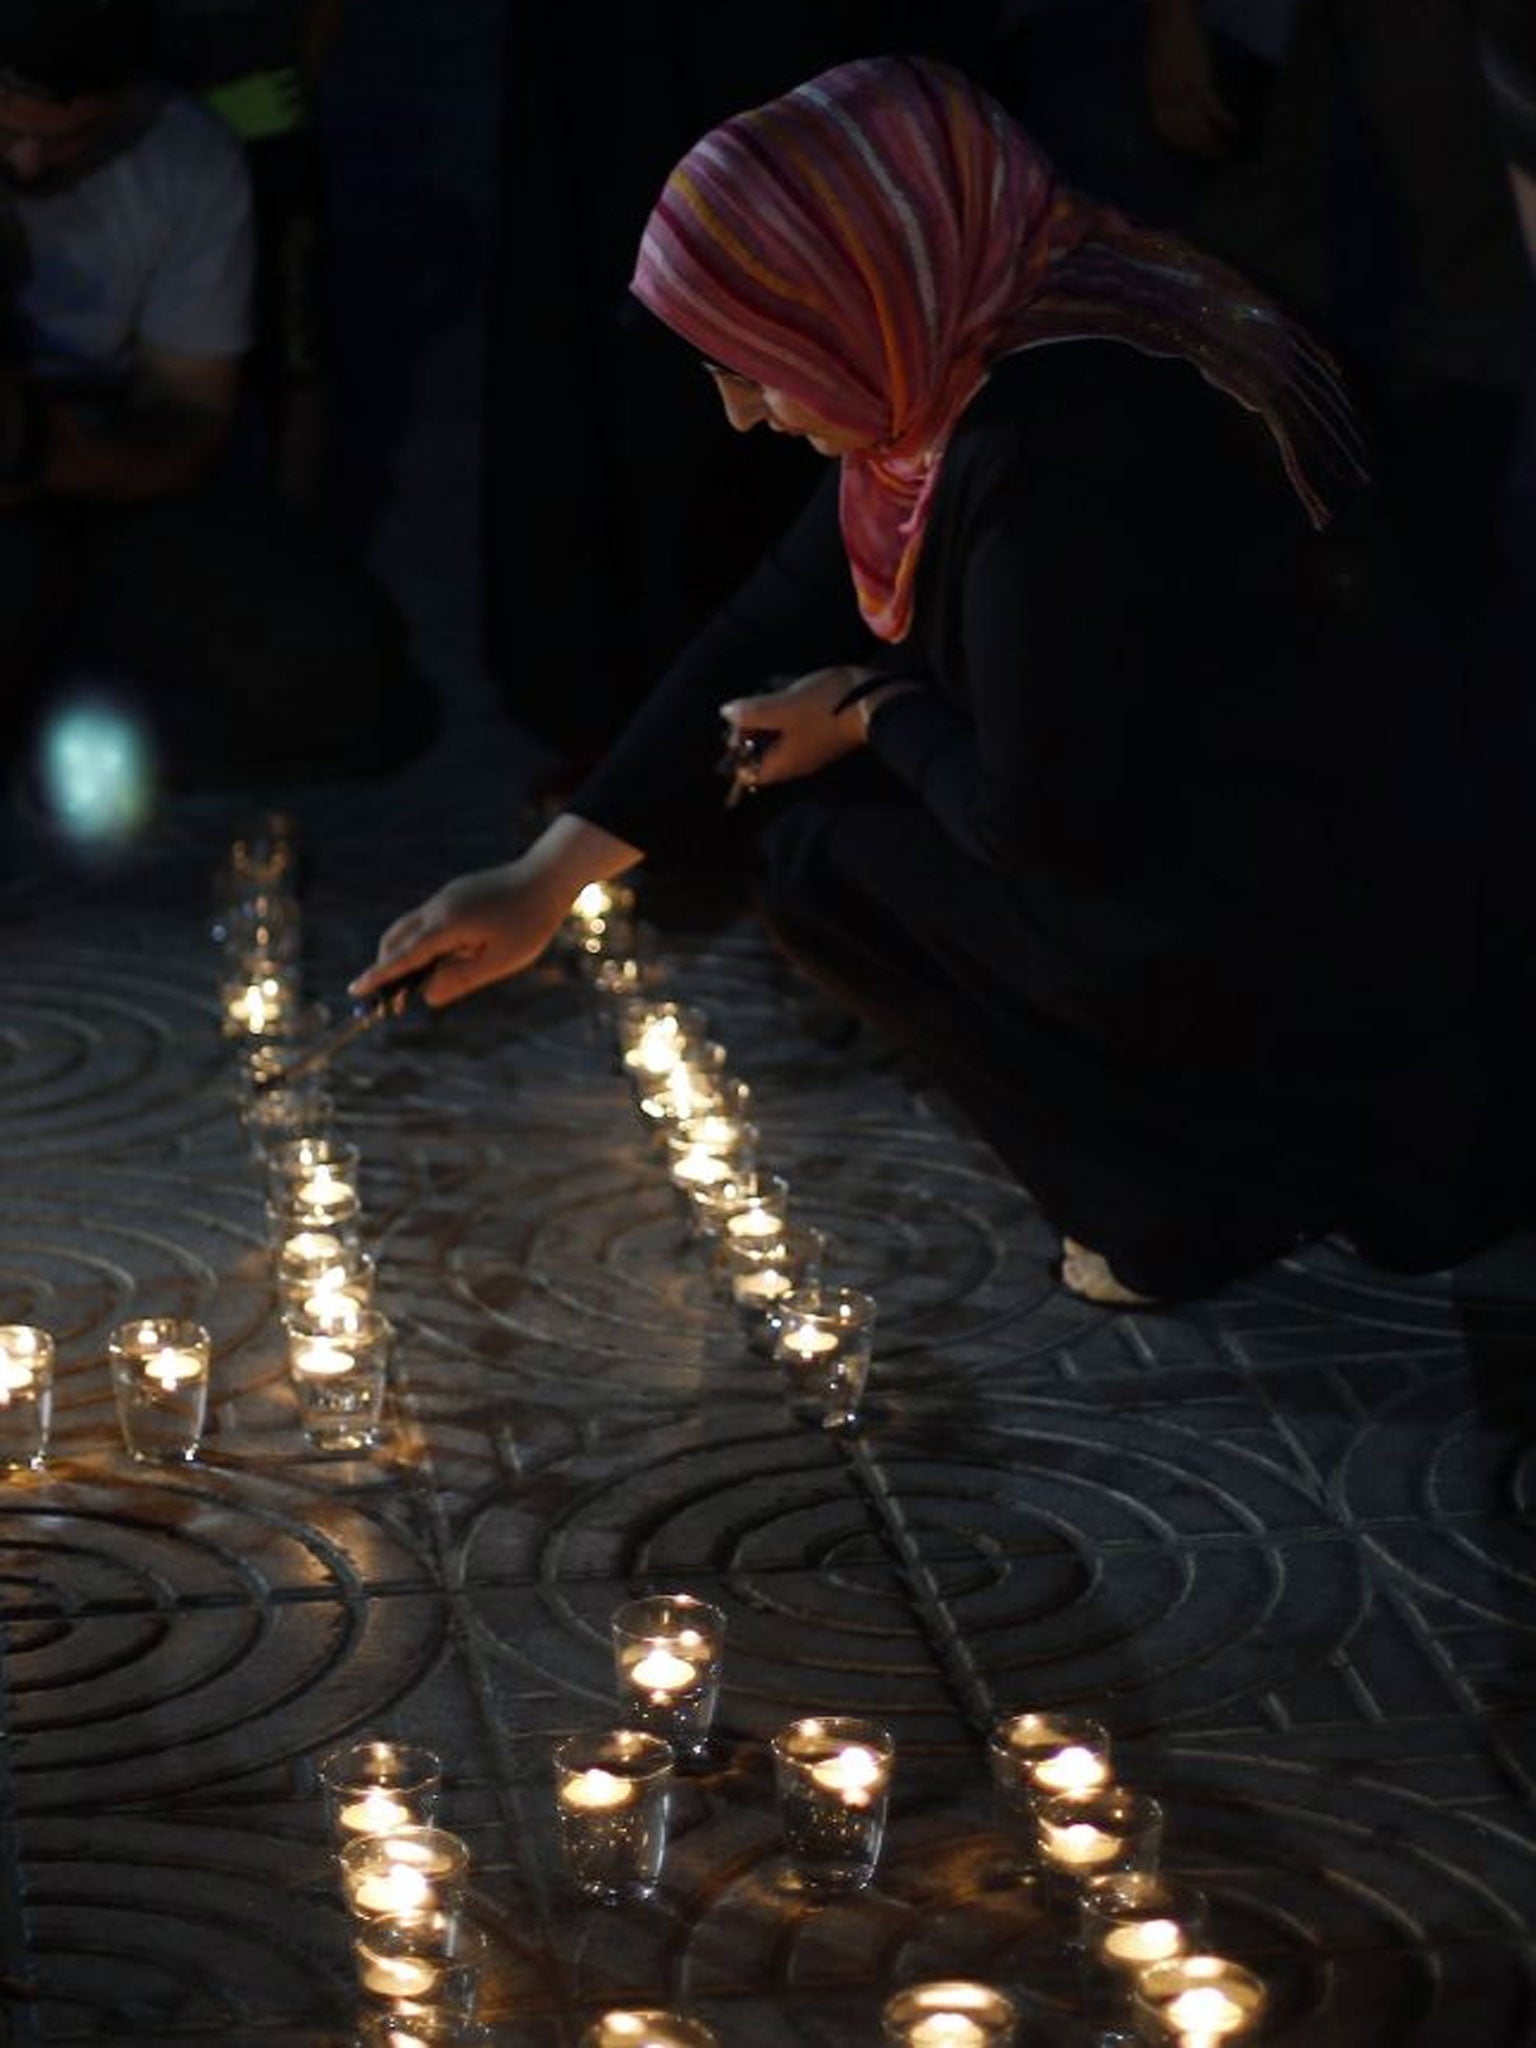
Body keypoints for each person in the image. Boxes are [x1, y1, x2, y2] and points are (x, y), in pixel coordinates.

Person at [355, 54, 1524, 1304]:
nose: (745, 415)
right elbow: (776, 611)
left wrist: (870, 712)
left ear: (859, 281)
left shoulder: (1052, 448)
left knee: (809, 842)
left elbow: (1042, 827)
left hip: (1332, 930)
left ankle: (1188, 1201)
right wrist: (546, 879)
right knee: (852, 771)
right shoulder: (1042, 294)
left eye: (757, 363)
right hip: (1376, 845)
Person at [0, 0, 434, 815]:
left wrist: (45, 457)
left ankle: (64, 715)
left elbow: (189, 424)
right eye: (7, 129)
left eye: (67, 139)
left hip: (99, 469)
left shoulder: (183, 156)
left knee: (351, 683)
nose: (28, 164)